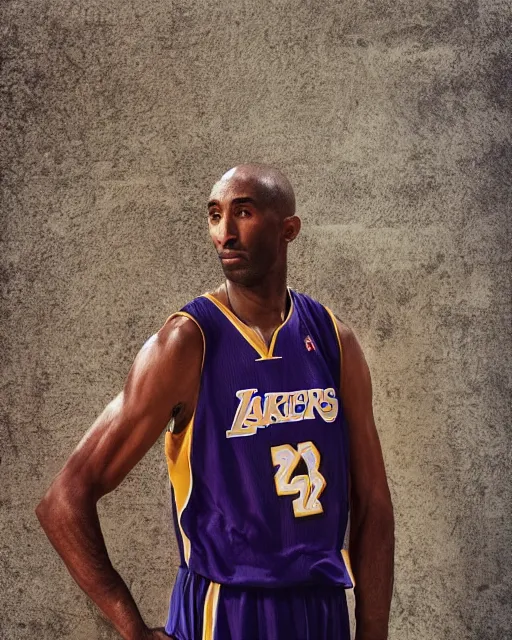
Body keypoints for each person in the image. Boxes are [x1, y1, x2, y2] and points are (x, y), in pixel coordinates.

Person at [36, 164, 394, 640]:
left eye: (242, 213)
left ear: (288, 229)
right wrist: (133, 630)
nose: (224, 233)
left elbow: (372, 505)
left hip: (320, 610)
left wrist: (373, 633)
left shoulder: (333, 340)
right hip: (224, 610)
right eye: (214, 215)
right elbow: (63, 500)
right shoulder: (186, 343)